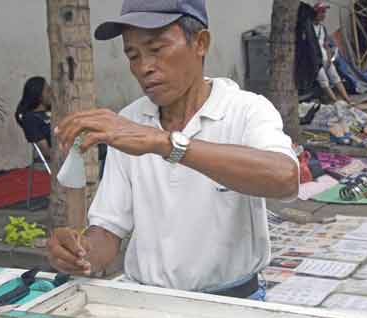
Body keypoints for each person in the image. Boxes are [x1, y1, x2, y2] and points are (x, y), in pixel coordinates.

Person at [47, 0, 299, 300]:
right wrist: (80, 253)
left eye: (157, 49)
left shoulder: (244, 110)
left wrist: (164, 142)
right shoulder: (129, 123)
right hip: (149, 304)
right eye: (133, 55)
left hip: (235, 303)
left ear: (201, 43)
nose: (144, 67)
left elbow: (285, 178)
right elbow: (108, 231)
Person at [313, 2, 351, 104]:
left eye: (324, 12)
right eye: (321, 12)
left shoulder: (322, 28)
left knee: (335, 77)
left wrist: (329, 57)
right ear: (315, 13)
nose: (323, 15)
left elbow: (326, 44)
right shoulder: (309, 28)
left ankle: (347, 100)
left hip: (325, 58)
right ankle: (335, 102)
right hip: (316, 60)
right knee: (323, 80)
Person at [15, 76, 52, 159]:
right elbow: (47, 152)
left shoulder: (55, 110)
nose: (52, 93)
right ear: (39, 95)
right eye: (48, 90)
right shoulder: (30, 119)